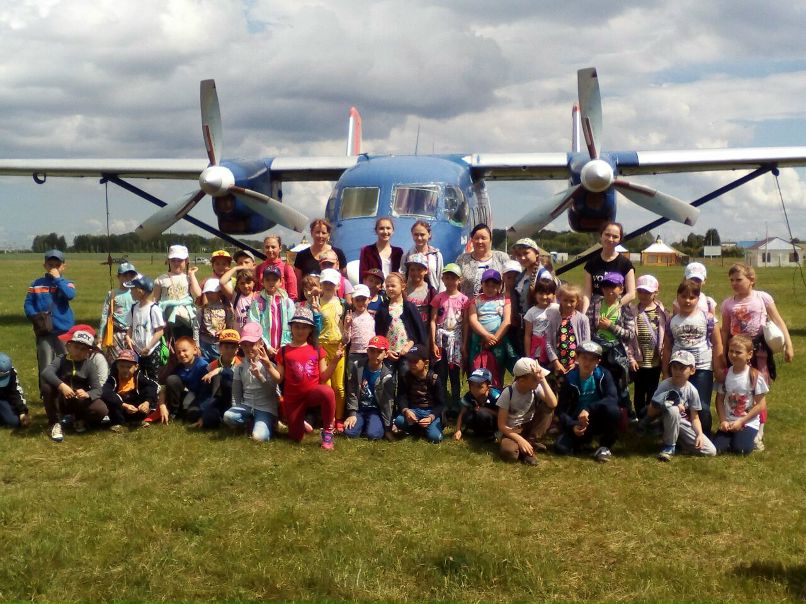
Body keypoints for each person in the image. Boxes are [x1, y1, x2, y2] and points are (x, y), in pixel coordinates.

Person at [720, 262, 793, 450]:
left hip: (759, 350)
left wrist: (789, 345)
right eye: (731, 280)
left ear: (751, 279)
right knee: (738, 388)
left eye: (739, 279)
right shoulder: (728, 303)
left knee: (758, 389)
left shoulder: (762, 298)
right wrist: (722, 354)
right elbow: (725, 330)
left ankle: (758, 432)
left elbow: (778, 320)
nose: (734, 283)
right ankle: (735, 420)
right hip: (736, 351)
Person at [263, 307, 342, 449]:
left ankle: (327, 432)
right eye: (297, 327)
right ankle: (299, 423)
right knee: (296, 438)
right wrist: (268, 365)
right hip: (293, 399)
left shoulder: (317, 349)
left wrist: (335, 361)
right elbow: (279, 379)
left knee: (327, 392)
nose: (300, 331)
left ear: (310, 329)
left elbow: (324, 377)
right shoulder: (284, 351)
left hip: (312, 394)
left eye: (304, 327)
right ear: (291, 328)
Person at [663, 279, 724, 438]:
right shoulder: (672, 321)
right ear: (677, 297)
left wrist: (718, 367)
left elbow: (717, 343)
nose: (687, 301)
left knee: (701, 406)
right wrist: (665, 372)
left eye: (692, 297)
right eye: (683, 296)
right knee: (678, 404)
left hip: (702, 368)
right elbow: (667, 347)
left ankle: (705, 436)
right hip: (678, 369)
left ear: (698, 298)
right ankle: (680, 437)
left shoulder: (708, 318)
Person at [555, 341, 620, 463]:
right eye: (584, 358)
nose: (587, 362)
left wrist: (588, 409)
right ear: (577, 358)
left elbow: (612, 398)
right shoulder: (569, 379)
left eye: (592, 359)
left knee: (613, 410)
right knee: (561, 448)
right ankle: (583, 441)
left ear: (598, 362)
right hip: (577, 421)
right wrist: (572, 425)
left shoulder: (604, 375)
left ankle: (605, 446)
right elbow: (561, 410)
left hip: (597, 417)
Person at [647, 350, 716, 461]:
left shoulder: (692, 390)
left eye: (682, 368)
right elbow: (650, 411)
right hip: (663, 421)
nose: (677, 371)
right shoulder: (665, 385)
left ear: (692, 370)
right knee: (674, 410)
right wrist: (670, 403)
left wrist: (699, 434)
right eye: (674, 367)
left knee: (711, 451)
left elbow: (695, 417)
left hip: (682, 423)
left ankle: (680, 443)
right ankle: (669, 447)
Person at [24, 248, 76, 397]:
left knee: (65, 361)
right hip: (44, 330)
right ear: (44, 266)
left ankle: (67, 391)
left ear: (63, 266)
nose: (54, 268)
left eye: (57, 265)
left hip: (63, 330)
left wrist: (58, 279)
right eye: (50, 264)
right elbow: (28, 303)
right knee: (45, 362)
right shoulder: (36, 284)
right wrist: (36, 317)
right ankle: (47, 393)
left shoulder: (67, 283)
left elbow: (70, 295)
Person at [41, 330, 107, 442]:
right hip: (61, 400)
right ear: (69, 346)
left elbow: (98, 390)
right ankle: (55, 423)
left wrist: (87, 394)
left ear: (89, 351)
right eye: (76, 347)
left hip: (79, 401)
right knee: (47, 387)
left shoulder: (89, 365)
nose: (79, 351)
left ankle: (79, 419)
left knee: (102, 409)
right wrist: (61, 385)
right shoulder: (61, 359)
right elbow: (46, 372)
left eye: (83, 349)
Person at [586, 271, 636, 417]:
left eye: (613, 287)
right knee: (598, 383)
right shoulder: (595, 305)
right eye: (606, 286)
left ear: (621, 289)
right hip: (598, 353)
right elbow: (588, 328)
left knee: (620, 386)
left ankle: (624, 416)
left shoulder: (625, 308)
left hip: (617, 354)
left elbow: (630, 334)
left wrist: (611, 327)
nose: (609, 290)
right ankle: (600, 414)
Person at [222, 323, 279, 442]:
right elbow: (236, 393)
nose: (248, 349)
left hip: (265, 408)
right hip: (247, 406)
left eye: (252, 344)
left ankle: (269, 424)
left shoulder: (269, 366)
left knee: (258, 437)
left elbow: (272, 393)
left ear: (261, 343)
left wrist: (259, 376)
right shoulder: (240, 367)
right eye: (244, 345)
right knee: (228, 416)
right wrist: (236, 408)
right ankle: (250, 421)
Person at [714, 335, 768, 455]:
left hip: (747, 423)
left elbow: (761, 405)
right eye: (731, 351)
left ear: (749, 354)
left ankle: (754, 438)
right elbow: (719, 400)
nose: (733, 355)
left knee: (741, 450)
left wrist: (742, 421)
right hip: (728, 422)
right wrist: (723, 421)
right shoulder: (725, 375)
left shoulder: (755, 376)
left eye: (738, 352)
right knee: (717, 449)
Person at [497, 358, 557, 464]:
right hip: (513, 430)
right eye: (535, 378)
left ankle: (530, 443)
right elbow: (501, 425)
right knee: (509, 453)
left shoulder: (536, 387)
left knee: (548, 407)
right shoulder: (508, 393)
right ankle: (528, 447)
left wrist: (542, 380)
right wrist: (520, 440)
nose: (538, 380)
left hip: (530, 426)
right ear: (522, 381)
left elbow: (553, 403)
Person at [430, 263, 469, 416]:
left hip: (456, 339)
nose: (450, 281)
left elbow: (465, 323)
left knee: (454, 372)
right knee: (441, 373)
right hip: (441, 339)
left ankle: (456, 403)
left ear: (459, 280)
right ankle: (442, 404)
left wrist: (464, 344)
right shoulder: (438, 298)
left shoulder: (464, 299)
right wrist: (433, 342)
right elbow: (433, 320)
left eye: (453, 278)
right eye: (447, 277)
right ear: (443, 279)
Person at [466, 269, 515, 388]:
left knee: (498, 368)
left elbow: (507, 321)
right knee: (478, 368)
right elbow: (473, 320)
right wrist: (486, 336)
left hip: (498, 341)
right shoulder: (475, 301)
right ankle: (478, 394)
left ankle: (497, 392)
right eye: (487, 285)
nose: (490, 288)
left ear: (500, 285)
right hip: (479, 341)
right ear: (481, 284)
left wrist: (494, 339)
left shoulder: (505, 300)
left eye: (494, 285)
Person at [628, 275, 668, 420]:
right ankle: (640, 418)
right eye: (640, 291)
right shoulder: (632, 311)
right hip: (639, 362)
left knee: (653, 392)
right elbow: (629, 338)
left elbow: (666, 334)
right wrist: (631, 358)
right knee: (639, 391)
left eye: (647, 292)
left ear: (656, 292)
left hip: (655, 361)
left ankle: (650, 418)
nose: (643, 295)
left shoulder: (662, 312)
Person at [374, 272, 427, 375]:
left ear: (403, 286)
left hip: (407, 353)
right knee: (387, 379)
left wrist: (409, 347)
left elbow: (418, 331)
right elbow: (378, 332)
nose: (390, 288)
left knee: (406, 378)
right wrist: (386, 351)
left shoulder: (409, 307)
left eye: (393, 286)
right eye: (387, 286)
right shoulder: (382, 308)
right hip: (389, 354)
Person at [344, 335, 395, 441]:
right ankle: (361, 423)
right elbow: (352, 391)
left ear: (386, 354)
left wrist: (387, 428)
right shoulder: (357, 367)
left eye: (379, 352)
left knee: (373, 435)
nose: (375, 355)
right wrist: (352, 413)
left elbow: (387, 403)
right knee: (349, 432)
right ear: (367, 351)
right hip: (360, 409)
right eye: (372, 351)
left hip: (375, 410)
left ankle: (372, 425)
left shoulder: (387, 376)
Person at [393, 346, 444, 443]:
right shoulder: (405, 377)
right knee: (398, 421)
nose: (412, 364)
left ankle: (426, 427)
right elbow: (401, 397)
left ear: (426, 362)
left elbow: (440, 403)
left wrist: (431, 417)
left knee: (436, 438)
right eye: (409, 361)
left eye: (415, 361)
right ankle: (418, 428)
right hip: (414, 411)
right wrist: (406, 411)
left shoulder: (434, 379)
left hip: (430, 411)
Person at [318, 268, 348, 431]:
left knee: (339, 386)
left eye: (332, 283)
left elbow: (347, 331)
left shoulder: (343, 304)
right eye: (326, 283)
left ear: (338, 285)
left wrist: (347, 330)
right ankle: (328, 418)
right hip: (322, 347)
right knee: (326, 386)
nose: (328, 286)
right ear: (321, 284)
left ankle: (339, 417)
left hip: (338, 347)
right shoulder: (316, 302)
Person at [582, 222, 636, 313]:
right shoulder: (591, 264)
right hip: (595, 309)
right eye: (607, 235)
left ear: (619, 239)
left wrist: (613, 308)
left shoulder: (626, 264)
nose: (610, 239)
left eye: (615, 236)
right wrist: (584, 313)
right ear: (601, 236)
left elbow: (631, 294)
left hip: (618, 309)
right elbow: (587, 294)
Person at [195, 329, 242, 429]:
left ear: (238, 349)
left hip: (235, 401)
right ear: (220, 348)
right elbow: (205, 392)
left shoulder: (241, 365)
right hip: (216, 401)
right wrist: (204, 412)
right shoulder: (211, 366)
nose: (229, 350)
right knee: (208, 419)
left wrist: (221, 370)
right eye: (226, 347)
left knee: (227, 377)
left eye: (233, 347)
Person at [101, 349, 159, 431]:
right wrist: (124, 405)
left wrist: (147, 402)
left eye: (129, 367)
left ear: (136, 367)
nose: (125, 370)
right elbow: (105, 391)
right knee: (110, 398)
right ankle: (118, 423)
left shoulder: (138, 376)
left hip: (135, 408)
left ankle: (138, 420)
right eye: (121, 366)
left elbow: (154, 385)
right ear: (117, 366)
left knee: (148, 389)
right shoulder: (113, 378)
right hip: (121, 408)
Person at [154, 245, 200, 343]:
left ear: (186, 261)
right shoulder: (160, 280)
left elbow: (198, 294)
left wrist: (192, 275)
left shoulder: (188, 278)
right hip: (167, 323)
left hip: (186, 322)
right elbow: (155, 301)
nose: (176, 263)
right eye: (173, 260)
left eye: (180, 260)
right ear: (168, 261)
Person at [160, 336, 210, 422]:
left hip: (201, 398)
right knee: (172, 379)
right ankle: (174, 412)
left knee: (193, 415)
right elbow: (164, 387)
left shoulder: (203, 366)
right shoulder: (179, 367)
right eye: (178, 352)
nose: (181, 354)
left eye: (184, 350)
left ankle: (189, 411)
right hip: (188, 395)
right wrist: (162, 405)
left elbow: (207, 392)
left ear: (195, 350)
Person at [125, 275, 165, 383]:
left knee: (153, 378)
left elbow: (159, 331)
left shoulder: (153, 309)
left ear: (140, 291)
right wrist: (128, 337)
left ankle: (154, 393)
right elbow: (130, 326)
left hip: (151, 350)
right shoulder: (134, 308)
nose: (131, 292)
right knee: (138, 377)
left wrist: (149, 347)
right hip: (137, 350)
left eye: (132, 289)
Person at [293, 218, 348, 296]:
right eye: (317, 232)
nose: (320, 235)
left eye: (323, 233)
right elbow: (298, 282)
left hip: (332, 299)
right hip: (308, 299)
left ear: (328, 234)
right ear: (311, 233)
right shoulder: (302, 255)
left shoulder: (338, 253)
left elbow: (344, 279)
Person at [454, 223, 510, 298]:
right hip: (467, 304)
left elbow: (510, 282)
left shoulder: (502, 258)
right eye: (476, 238)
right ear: (472, 240)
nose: (480, 241)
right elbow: (454, 283)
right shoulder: (462, 259)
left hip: (497, 304)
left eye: (483, 238)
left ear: (490, 240)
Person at [546, 284, 590, 378]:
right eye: (565, 300)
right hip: (557, 364)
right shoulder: (553, 318)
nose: (568, 304)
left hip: (576, 365)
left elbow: (586, 343)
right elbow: (548, 342)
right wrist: (555, 362)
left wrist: (577, 363)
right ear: (559, 299)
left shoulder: (583, 319)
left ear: (578, 301)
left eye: (572, 301)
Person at [248, 265, 295, 352]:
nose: (271, 282)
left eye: (275, 279)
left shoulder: (288, 302)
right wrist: (267, 346)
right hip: (263, 349)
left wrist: (284, 346)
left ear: (281, 282)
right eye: (268, 279)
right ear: (262, 282)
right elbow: (254, 325)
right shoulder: (257, 302)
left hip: (284, 348)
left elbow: (292, 325)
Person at [98, 261, 138, 364]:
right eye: (125, 275)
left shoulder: (137, 293)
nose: (128, 278)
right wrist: (100, 338)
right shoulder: (112, 294)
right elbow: (104, 316)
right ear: (118, 277)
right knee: (115, 363)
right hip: (115, 334)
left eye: (131, 275)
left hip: (133, 334)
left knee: (131, 362)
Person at [454, 368, 499, 441]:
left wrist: (486, 410)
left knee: (482, 414)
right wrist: (458, 430)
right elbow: (462, 413)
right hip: (479, 417)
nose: (474, 389)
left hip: (494, 420)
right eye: (472, 385)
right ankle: (477, 431)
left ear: (488, 387)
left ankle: (492, 433)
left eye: (479, 386)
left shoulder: (496, 397)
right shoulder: (470, 395)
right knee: (467, 415)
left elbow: (503, 416)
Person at [400, 220, 445, 292]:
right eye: (416, 234)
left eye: (422, 234)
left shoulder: (436, 255)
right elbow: (402, 278)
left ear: (429, 234)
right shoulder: (406, 256)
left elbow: (441, 278)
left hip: (433, 296)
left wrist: (440, 297)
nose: (419, 238)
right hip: (411, 295)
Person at [523, 279, 559, 367]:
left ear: (554, 294)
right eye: (541, 293)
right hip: (538, 352)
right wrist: (528, 356)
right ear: (535, 294)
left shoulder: (557, 309)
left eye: (548, 293)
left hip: (555, 349)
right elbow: (527, 335)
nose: (544, 297)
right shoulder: (531, 312)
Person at [255, 235, 298, 301]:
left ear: (280, 248)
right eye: (267, 247)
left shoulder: (287, 269)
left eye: (273, 247)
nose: (270, 250)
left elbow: (293, 295)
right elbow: (256, 292)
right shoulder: (259, 268)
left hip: (282, 305)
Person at [198, 277, 230, 362]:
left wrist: (224, 332)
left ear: (219, 293)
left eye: (212, 293)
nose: (209, 295)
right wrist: (197, 345)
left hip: (220, 343)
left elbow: (230, 326)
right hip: (204, 344)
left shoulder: (226, 309)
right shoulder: (202, 309)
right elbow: (196, 327)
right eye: (207, 293)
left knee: (219, 364)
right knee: (205, 365)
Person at [344, 284, 375, 371]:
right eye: (357, 300)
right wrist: (347, 326)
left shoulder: (373, 316)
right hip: (355, 354)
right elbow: (346, 340)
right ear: (352, 300)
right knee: (354, 378)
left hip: (370, 353)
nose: (361, 303)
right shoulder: (350, 317)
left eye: (363, 299)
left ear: (369, 299)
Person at [219, 268, 257, 333]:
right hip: (238, 335)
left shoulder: (258, 297)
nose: (246, 286)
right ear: (238, 284)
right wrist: (235, 268)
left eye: (248, 282)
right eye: (242, 283)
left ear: (254, 283)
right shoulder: (235, 296)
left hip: (252, 335)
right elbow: (222, 282)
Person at [404, 253, 437, 326]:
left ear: (426, 271)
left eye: (419, 269)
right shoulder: (403, 289)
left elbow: (433, 318)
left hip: (424, 330)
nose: (415, 273)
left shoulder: (430, 291)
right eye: (412, 269)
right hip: (408, 329)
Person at [0, 353, 30, 429]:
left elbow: (16, 392)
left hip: (2, 399)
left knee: (14, 422)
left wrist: (22, 412)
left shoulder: (11, 372)